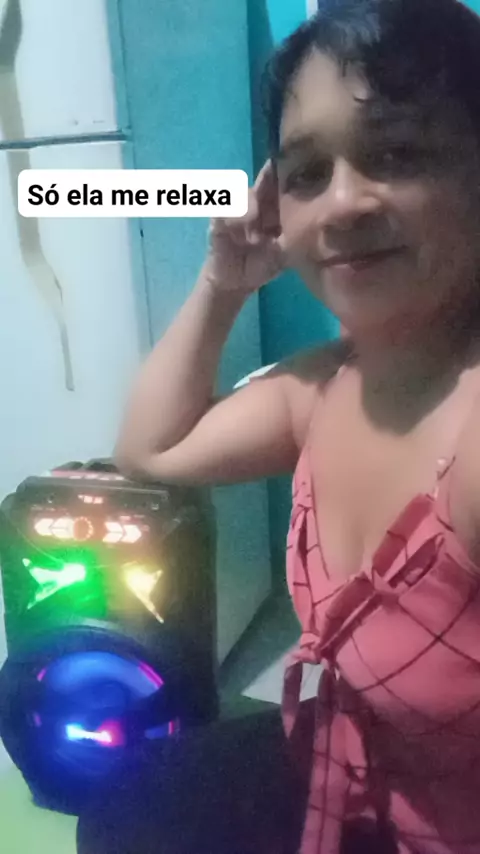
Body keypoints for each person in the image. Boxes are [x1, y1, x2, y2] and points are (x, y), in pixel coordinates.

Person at [78, 1, 480, 851]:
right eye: (305, 175)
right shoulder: (323, 387)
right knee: (125, 804)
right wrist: (224, 281)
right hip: (355, 777)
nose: (342, 204)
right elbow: (150, 450)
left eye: (397, 154)